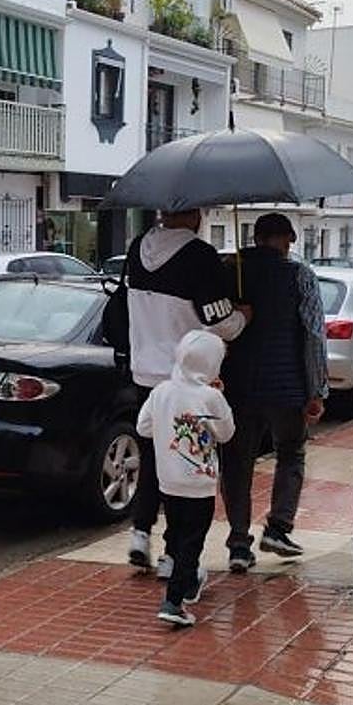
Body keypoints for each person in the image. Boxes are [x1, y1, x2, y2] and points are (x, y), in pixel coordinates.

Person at [125, 209, 250, 577]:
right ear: (195, 213)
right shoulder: (199, 255)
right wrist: (243, 316)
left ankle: (139, 532)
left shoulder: (137, 248)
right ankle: (172, 557)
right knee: (185, 465)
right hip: (187, 380)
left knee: (152, 457)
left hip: (144, 372)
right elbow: (219, 322)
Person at [220, 213, 328, 571]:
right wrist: (317, 389)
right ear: (286, 240)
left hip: (238, 387)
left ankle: (238, 543)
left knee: (237, 463)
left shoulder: (230, 272)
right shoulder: (301, 276)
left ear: (256, 237)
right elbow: (313, 335)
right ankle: (278, 528)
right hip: (287, 387)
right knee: (291, 452)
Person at [137, 330, 235, 627]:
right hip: (199, 483)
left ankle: (189, 583)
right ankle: (173, 601)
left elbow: (143, 427)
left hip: (168, 480)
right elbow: (227, 433)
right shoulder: (212, 397)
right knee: (192, 541)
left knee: (178, 533)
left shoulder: (161, 391)